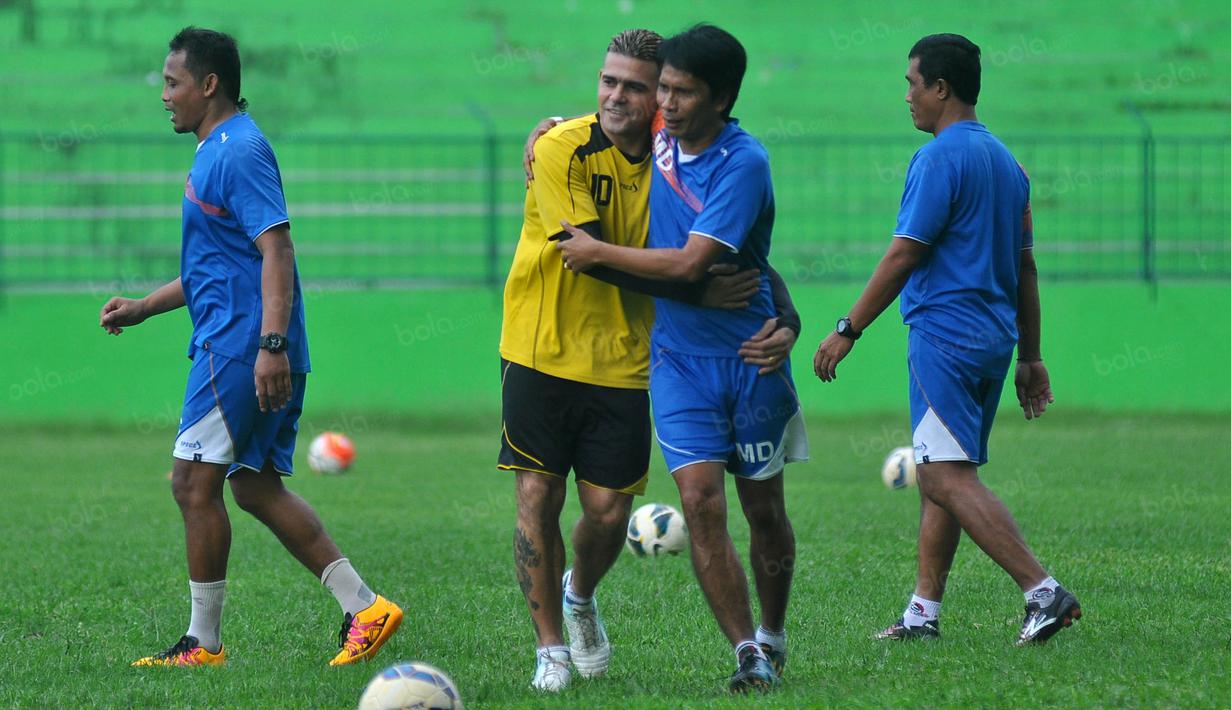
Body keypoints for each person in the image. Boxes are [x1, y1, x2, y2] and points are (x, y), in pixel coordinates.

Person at [501, 29, 802, 692]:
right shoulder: (563, 146)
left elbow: (736, 252)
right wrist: (695, 288)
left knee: (611, 513)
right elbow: (584, 254)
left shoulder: (689, 147)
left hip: (631, 358)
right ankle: (551, 651)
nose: (619, 96)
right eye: (609, 81)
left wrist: (787, 317)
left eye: (639, 87)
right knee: (540, 493)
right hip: (541, 346)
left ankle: (580, 593)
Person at [100, 27, 401, 667]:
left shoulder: (238, 150)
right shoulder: (217, 149)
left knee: (191, 483)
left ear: (209, 85)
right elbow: (216, 264)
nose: (164, 95)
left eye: (173, 82)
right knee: (254, 487)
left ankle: (203, 643)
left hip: (239, 348)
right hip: (242, 343)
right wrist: (145, 307)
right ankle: (365, 607)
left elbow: (277, 250)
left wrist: (270, 345)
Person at [812, 33, 1081, 645]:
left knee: (940, 477)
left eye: (912, 83)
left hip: (945, 336)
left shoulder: (937, 159)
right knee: (945, 467)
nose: (906, 96)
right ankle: (921, 613)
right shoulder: (1009, 165)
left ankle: (1043, 592)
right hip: (994, 340)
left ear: (940, 88)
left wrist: (848, 328)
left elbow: (904, 253)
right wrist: (1032, 356)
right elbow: (1026, 268)